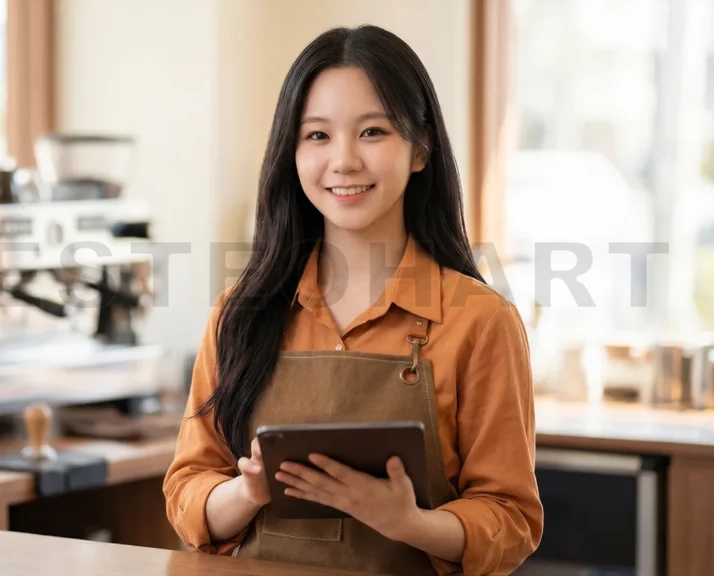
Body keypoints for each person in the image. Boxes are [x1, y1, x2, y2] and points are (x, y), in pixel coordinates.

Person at [162, 25, 543, 576]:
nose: (343, 161)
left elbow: (510, 520)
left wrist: (409, 523)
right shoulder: (239, 314)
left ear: (421, 149)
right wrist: (248, 492)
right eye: (317, 136)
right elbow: (188, 491)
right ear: (290, 154)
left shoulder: (481, 322)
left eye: (372, 131)